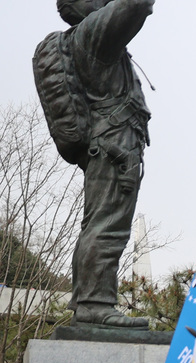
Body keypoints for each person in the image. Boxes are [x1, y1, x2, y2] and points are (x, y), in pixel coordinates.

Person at [37, 0, 155, 327]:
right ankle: (94, 303)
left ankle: (92, 300)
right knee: (109, 224)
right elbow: (137, 3)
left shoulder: (89, 35)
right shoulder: (93, 34)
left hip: (113, 145)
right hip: (115, 147)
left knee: (103, 221)